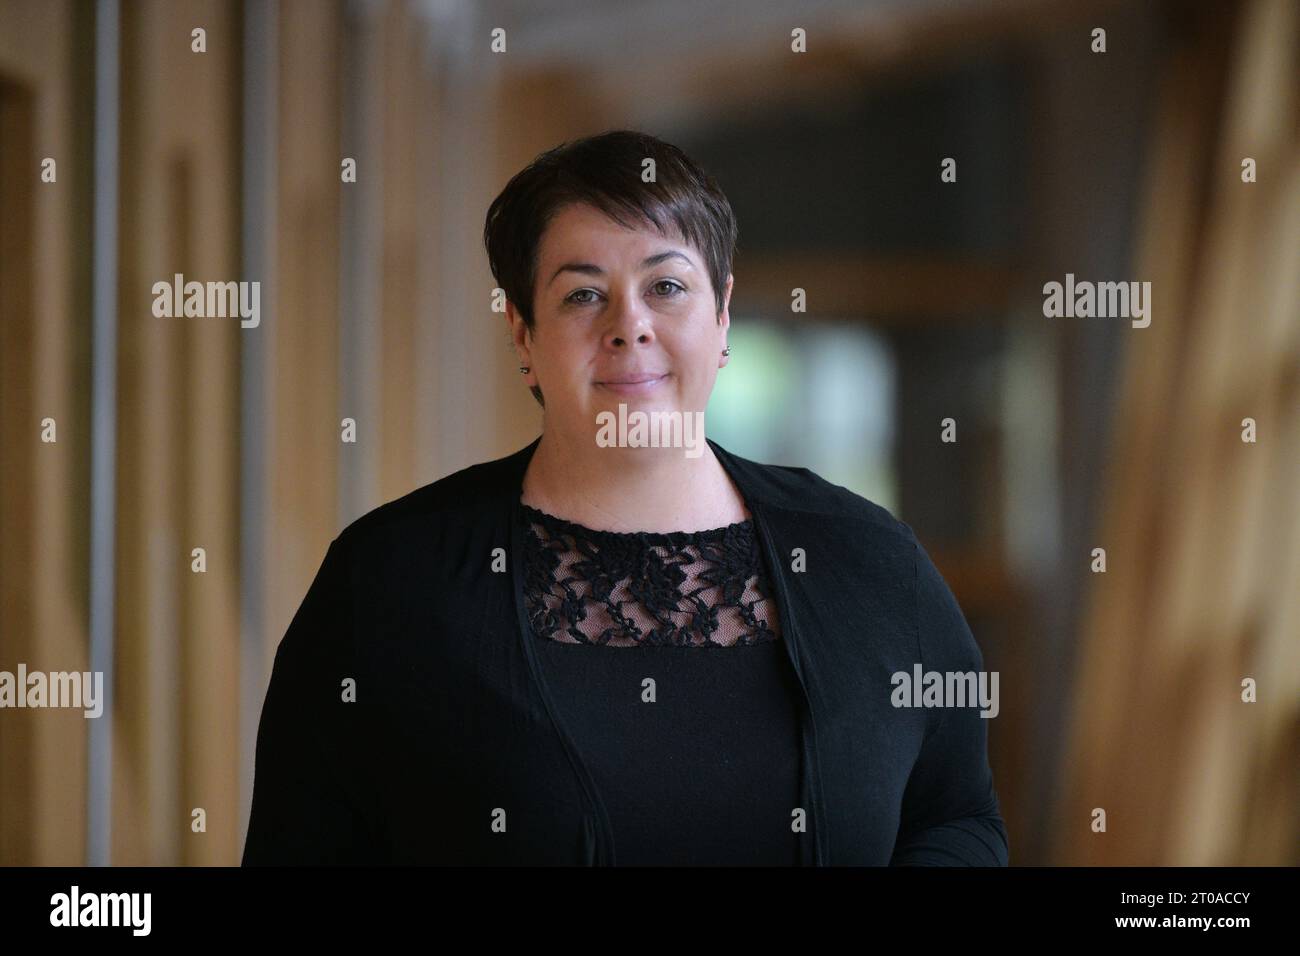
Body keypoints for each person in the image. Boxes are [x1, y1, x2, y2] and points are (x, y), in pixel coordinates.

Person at [242, 129, 1009, 866]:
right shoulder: (388, 582)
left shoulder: (870, 562)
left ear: (722, 315)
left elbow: (956, 815)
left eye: (666, 286)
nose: (628, 326)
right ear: (521, 332)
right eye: (582, 295)